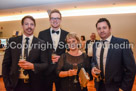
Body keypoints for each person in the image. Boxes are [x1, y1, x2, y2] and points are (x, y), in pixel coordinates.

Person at [2, 15, 48, 91]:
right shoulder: (12, 41)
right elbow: (5, 64)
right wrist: (7, 84)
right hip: (15, 84)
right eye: (26, 24)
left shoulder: (41, 43)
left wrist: (33, 66)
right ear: (22, 26)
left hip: (35, 85)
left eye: (32, 24)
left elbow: (45, 64)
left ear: (34, 26)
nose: (29, 26)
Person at [91, 18, 135, 91]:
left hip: (116, 87)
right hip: (99, 85)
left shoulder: (122, 43)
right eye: (99, 28)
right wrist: (93, 67)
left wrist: (124, 88)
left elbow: (131, 69)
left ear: (110, 29)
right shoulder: (95, 45)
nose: (101, 30)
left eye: (104, 27)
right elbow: (93, 60)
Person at [38, 9, 68, 91]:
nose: (55, 20)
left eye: (57, 18)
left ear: (60, 20)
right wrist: (48, 57)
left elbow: (69, 53)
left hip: (61, 71)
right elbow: (40, 52)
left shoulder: (67, 34)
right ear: (49, 20)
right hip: (46, 71)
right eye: (53, 18)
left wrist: (61, 58)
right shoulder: (42, 34)